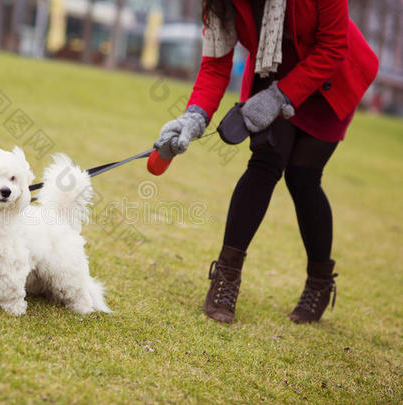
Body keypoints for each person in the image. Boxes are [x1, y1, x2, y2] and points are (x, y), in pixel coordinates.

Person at [153, 0, 378, 324]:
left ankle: (319, 282)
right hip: (270, 70)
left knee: (303, 177)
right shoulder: (218, 2)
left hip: (329, 74)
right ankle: (226, 278)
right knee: (264, 164)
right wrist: (195, 116)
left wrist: (279, 97)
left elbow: (333, 46)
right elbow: (216, 65)